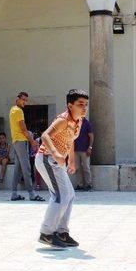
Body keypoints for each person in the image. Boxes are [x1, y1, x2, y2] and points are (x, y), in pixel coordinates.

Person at [36, 89, 89, 248]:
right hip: (47, 159)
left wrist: (71, 160)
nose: (84, 107)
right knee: (60, 196)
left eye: (86, 104)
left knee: (70, 195)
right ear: (70, 105)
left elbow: (70, 140)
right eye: (80, 104)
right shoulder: (63, 120)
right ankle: (46, 233)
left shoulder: (79, 121)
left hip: (57, 162)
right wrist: (56, 153)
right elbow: (45, 135)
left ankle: (62, 232)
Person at [9, 92, 44, 202]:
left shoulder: (12, 110)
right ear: (17, 99)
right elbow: (23, 129)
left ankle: (14, 193)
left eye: (26, 100)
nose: (25, 102)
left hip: (16, 141)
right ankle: (32, 194)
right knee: (27, 167)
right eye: (23, 99)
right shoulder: (18, 111)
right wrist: (33, 141)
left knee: (18, 168)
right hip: (21, 141)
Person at [74, 117, 94, 191]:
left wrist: (90, 147)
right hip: (75, 150)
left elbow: (91, 136)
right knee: (77, 168)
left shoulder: (87, 123)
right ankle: (80, 185)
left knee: (86, 167)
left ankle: (89, 185)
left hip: (85, 150)